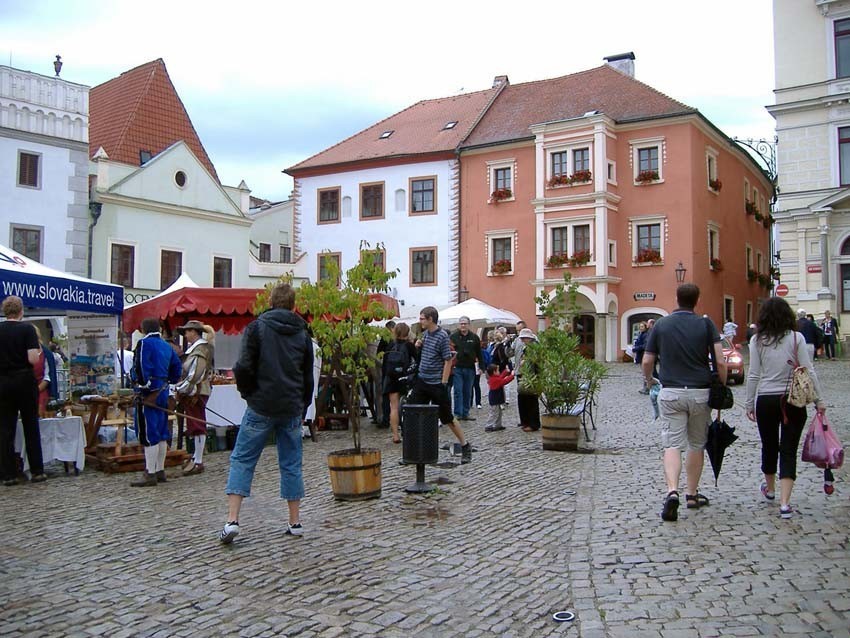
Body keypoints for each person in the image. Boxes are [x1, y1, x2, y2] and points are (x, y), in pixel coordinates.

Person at [221, 283, 314, 544]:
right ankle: (295, 521)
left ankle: (232, 520)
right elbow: (307, 375)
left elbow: (242, 366)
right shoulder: (303, 333)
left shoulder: (257, 328)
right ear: (294, 304)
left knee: (243, 459)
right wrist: (303, 404)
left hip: (261, 404)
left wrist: (248, 393)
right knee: (291, 463)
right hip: (291, 406)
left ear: (271, 301)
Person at [642, 283, 726, 522]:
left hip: (670, 392)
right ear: (696, 301)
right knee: (697, 444)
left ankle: (672, 491)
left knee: (671, 444)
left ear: (677, 299)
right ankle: (691, 493)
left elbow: (647, 360)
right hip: (700, 392)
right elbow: (720, 361)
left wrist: (649, 381)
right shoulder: (705, 324)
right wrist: (722, 384)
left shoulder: (661, 325)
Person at [746, 297, 826, 519]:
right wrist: (819, 400)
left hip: (766, 399)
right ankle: (785, 502)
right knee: (788, 448)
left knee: (769, 445)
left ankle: (770, 489)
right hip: (793, 399)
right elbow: (808, 371)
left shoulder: (757, 340)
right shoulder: (796, 338)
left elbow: (753, 374)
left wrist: (749, 402)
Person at [407, 306, 472, 463]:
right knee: (413, 412)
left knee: (447, 417)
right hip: (422, 380)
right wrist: (418, 345)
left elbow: (448, 360)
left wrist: (443, 383)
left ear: (430, 319)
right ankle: (415, 450)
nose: (420, 321)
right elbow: (424, 353)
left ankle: (465, 445)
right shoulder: (426, 335)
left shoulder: (442, 336)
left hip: (436, 383)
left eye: (422, 318)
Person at [130, 318, 182, 487]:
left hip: (150, 392)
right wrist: (169, 381)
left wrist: (143, 386)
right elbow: (176, 368)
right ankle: (159, 470)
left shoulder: (144, 344)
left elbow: (142, 367)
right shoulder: (167, 346)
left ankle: (150, 472)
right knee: (161, 431)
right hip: (163, 390)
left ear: (144, 329)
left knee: (149, 432)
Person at [0, 296, 46, 484]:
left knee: (5, 429)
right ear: (21, 311)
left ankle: (8, 474)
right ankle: (37, 470)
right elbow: (33, 359)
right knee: (30, 425)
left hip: (3, 381)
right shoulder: (27, 329)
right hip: (24, 380)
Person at [173, 321, 215, 477]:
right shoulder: (199, 348)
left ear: (194, 332)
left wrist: (181, 388)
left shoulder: (201, 349)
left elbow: (195, 375)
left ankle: (198, 460)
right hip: (195, 390)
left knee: (197, 424)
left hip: (196, 391)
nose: (185, 335)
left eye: (187, 331)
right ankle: (196, 457)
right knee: (195, 423)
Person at [383, 322, 417, 444]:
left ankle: (395, 435)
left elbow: (385, 364)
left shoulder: (390, 345)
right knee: (408, 405)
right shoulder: (409, 346)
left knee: (394, 407)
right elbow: (417, 360)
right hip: (405, 377)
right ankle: (408, 430)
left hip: (391, 378)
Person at [450, 316, 481, 422]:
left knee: (467, 391)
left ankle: (465, 412)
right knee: (458, 390)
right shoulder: (453, 337)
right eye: (461, 323)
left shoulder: (474, 337)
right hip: (457, 368)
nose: (463, 325)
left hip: (470, 368)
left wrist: (482, 367)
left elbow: (479, 353)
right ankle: (458, 413)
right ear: (459, 325)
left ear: (469, 325)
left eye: (465, 323)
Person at [515, 328, 541, 432]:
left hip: (531, 376)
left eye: (524, 338)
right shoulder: (527, 347)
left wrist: (525, 362)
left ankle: (533, 423)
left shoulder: (534, 347)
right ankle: (526, 421)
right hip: (525, 375)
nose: (522, 340)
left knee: (531, 400)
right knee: (523, 399)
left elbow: (536, 364)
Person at [32, 326, 58, 417]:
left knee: (44, 412)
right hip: (26, 390)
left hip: (42, 389)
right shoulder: (22, 352)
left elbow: (48, 376)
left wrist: (37, 389)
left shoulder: (46, 353)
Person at [484, 364, 514, 432]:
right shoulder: (494, 379)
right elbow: (504, 381)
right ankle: (488, 426)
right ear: (494, 372)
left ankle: (498, 425)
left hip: (497, 399)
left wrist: (506, 372)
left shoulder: (494, 378)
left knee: (499, 412)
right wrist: (512, 375)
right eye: (497, 370)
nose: (499, 372)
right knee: (494, 413)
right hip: (495, 399)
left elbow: (501, 377)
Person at [633, 322, 649, 394]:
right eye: (640, 327)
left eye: (642, 326)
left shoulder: (646, 335)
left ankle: (647, 388)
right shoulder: (641, 334)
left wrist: (636, 348)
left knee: (645, 373)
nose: (640, 328)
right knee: (644, 373)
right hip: (641, 355)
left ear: (645, 327)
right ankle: (645, 387)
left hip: (643, 355)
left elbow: (644, 346)